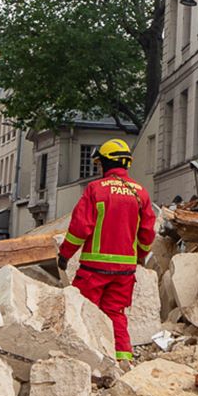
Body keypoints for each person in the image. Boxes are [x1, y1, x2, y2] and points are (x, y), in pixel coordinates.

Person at [56, 139, 155, 363]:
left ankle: (82, 359)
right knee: (116, 314)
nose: (99, 169)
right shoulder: (141, 193)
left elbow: (80, 228)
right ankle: (122, 360)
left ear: (106, 163)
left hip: (94, 269)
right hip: (125, 272)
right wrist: (139, 256)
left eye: (100, 164)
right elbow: (147, 233)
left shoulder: (96, 189)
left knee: (84, 311)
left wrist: (65, 254)